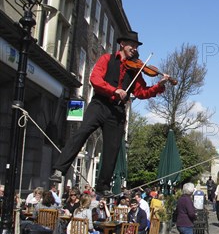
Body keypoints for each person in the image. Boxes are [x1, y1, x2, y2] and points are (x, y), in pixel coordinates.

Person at [48, 32, 171, 196]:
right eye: (131, 45)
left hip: (118, 110)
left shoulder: (135, 69)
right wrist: (114, 90)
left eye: (136, 47)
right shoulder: (106, 59)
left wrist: (159, 85)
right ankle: (59, 170)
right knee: (82, 132)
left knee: (112, 148)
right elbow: (95, 79)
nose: (134, 49)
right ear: (122, 45)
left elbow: (142, 92)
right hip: (100, 103)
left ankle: (103, 186)